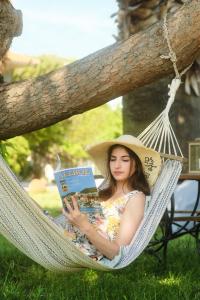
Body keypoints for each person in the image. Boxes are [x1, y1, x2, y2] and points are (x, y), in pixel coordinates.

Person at [62, 135, 161, 266]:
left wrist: (84, 226)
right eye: (113, 160)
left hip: (83, 251)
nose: (117, 165)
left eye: (125, 160)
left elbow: (116, 253)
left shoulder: (136, 198)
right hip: (66, 239)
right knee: (36, 214)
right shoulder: (101, 193)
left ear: (136, 165)